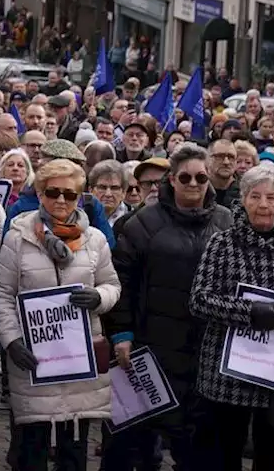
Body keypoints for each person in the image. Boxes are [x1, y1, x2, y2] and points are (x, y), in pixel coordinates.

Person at [103, 145, 234, 469]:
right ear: (172, 180)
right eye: (185, 177)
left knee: (197, 452)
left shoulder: (227, 221)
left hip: (205, 356)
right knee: (134, 450)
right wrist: (121, 334)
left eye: (201, 177)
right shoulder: (142, 224)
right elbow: (123, 283)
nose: (193, 183)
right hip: (149, 353)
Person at [188, 165, 274, 469]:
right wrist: (249, 312)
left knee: (273, 455)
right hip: (224, 371)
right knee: (224, 454)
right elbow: (199, 301)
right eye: (256, 197)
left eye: (272, 197)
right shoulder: (222, 244)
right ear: (243, 200)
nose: (264, 205)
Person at [0, 158, 120, 471]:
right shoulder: (17, 237)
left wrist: (98, 298)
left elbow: (112, 285)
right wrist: (11, 341)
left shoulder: (95, 240)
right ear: (40, 194)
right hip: (33, 360)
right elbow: (3, 295)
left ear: (80, 197)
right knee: (30, 452)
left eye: (70, 194)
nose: (61, 200)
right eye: (53, 192)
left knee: (74, 452)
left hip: (80, 360)